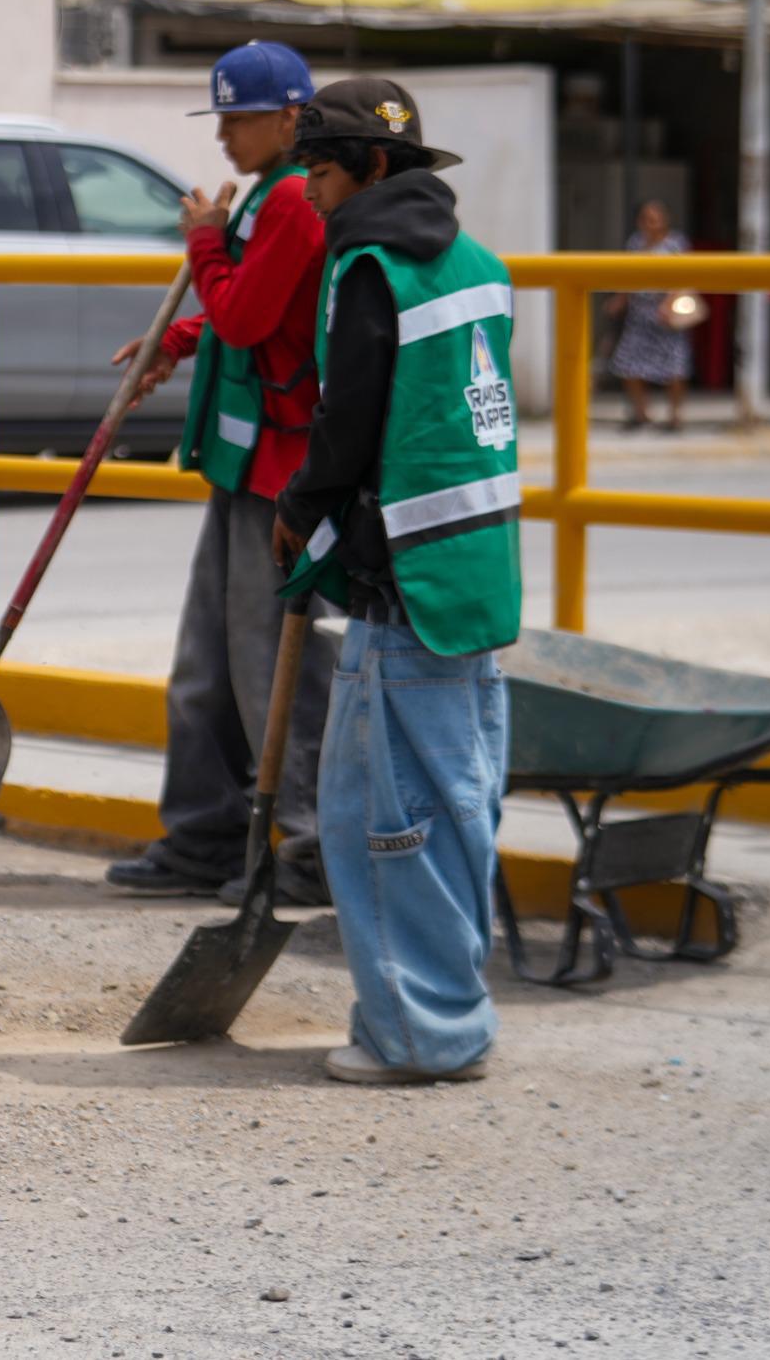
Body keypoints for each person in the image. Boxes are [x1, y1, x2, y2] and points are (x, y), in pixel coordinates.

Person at [272, 78, 520, 1086]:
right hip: (473, 567)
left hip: (402, 573)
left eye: (321, 172)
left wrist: (299, 508)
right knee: (458, 800)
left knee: (385, 815)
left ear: (373, 168)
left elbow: (349, 421)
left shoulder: (367, 266)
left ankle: (424, 1033)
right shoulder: (477, 265)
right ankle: (445, 1011)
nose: (311, 194)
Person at [104, 40, 337, 907]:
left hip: (283, 469)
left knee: (272, 666)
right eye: (222, 119)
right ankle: (202, 834)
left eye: (239, 119)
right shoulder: (268, 199)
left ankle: (308, 850)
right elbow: (247, 313)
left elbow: (242, 315)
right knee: (206, 661)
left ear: (289, 116)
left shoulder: (295, 202)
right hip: (244, 461)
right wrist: (173, 339)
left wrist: (203, 243)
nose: (226, 137)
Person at [607, 202, 692, 432]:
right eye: (646, 218)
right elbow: (629, 276)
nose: (650, 223)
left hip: (667, 315)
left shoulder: (675, 243)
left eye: (655, 218)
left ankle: (675, 416)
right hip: (640, 315)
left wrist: (668, 303)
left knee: (674, 367)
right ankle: (641, 413)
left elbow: (685, 276)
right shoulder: (635, 243)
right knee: (628, 364)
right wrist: (620, 300)